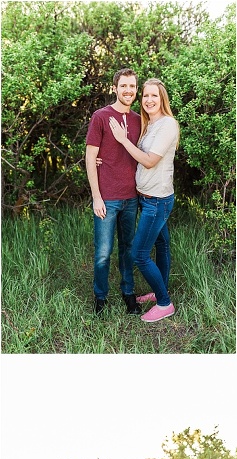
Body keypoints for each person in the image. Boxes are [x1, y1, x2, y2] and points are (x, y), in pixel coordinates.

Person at [109, 78, 179, 322]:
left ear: (162, 100)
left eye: (154, 96)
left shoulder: (167, 124)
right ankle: (160, 291)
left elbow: (149, 160)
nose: (149, 100)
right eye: (146, 96)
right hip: (147, 197)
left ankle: (164, 303)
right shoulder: (150, 124)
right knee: (162, 246)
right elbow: (135, 158)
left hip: (157, 200)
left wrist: (123, 139)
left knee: (139, 254)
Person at [85, 69, 142, 315]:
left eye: (132, 86)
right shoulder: (101, 116)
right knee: (103, 253)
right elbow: (90, 158)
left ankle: (128, 294)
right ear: (115, 88)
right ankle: (100, 297)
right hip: (107, 197)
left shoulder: (141, 120)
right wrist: (96, 196)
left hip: (132, 196)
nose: (128, 90)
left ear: (136, 90)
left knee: (128, 249)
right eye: (124, 86)